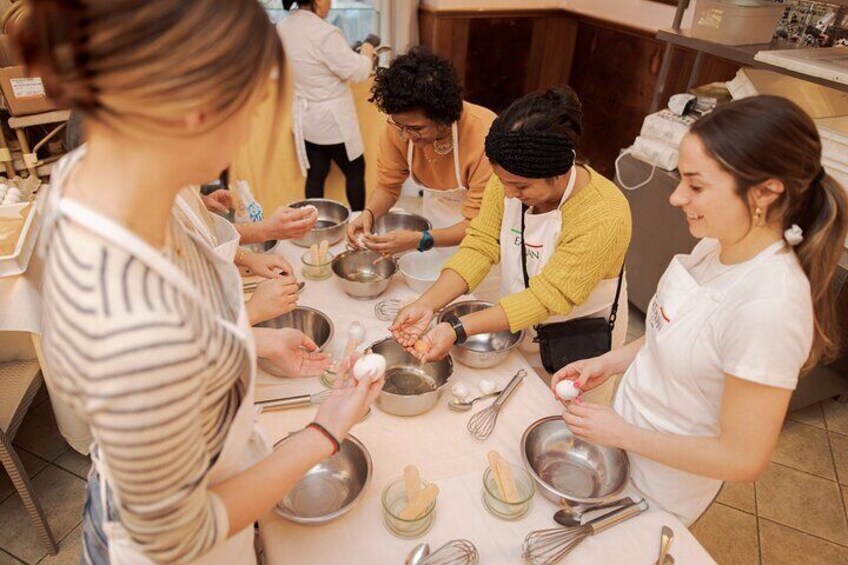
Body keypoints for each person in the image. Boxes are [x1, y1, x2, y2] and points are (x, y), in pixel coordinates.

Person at [20, 2, 382, 563]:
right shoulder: (132, 315)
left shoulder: (100, 173)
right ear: (195, 112)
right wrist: (325, 432)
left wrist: (248, 340)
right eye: (253, 106)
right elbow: (176, 534)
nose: (254, 125)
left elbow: (183, 335)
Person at [551, 96, 848, 525]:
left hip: (662, 488)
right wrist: (609, 362)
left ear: (765, 191)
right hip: (623, 444)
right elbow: (678, 331)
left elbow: (742, 459)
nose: (676, 197)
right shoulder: (718, 244)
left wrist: (623, 433)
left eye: (696, 185)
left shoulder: (770, 307)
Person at [392, 88, 632, 387]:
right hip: (517, 318)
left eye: (520, 188)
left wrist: (457, 327)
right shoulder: (509, 177)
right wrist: (427, 303)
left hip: (578, 338)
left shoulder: (604, 214)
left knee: (567, 414)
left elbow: (549, 297)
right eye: (503, 182)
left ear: (559, 173)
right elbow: (481, 244)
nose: (508, 194)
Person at [347, 47, 496, 257]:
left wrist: (422, 239)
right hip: (434, 221)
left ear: (444, 118)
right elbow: (387, 187)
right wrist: (369, 214)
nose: (405, 135)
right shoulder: (398, 128)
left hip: (480, 235)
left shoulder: (484, 137)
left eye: (416, 129)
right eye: (399, 125)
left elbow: (479, 223)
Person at [277, 0, 374, 211]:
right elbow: (358, 72)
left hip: (306, 121)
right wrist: (367, 50)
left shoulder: (284, 27)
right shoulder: (326, 33)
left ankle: (313, 225)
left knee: (317, 172)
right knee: (355, 170)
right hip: (333, 121)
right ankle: (359, 224)